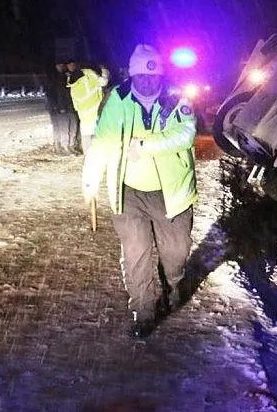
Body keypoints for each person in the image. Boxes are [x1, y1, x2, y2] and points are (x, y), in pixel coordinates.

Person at [82, 44, 198, 338]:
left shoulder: (176, 97)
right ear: (132, 75)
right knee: (135, 252)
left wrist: (147, 147)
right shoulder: (118, 100)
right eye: (141, 76)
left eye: (153, 75)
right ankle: (142, 310)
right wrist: (90, 181)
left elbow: (186, 134)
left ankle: (172, 281)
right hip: (129, 191)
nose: (148, 81)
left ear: (160, 74)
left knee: (176, 252)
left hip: (171, 193)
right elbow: (103, 142)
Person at [65, 59, 109, 151]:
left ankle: (88, 157)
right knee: (98, 138)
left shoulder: (72, 82)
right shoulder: (89, 75)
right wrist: (105, 71)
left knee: (86, 139)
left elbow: (75, 103)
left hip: (83, 116)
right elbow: (103, 82)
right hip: (96, 113)